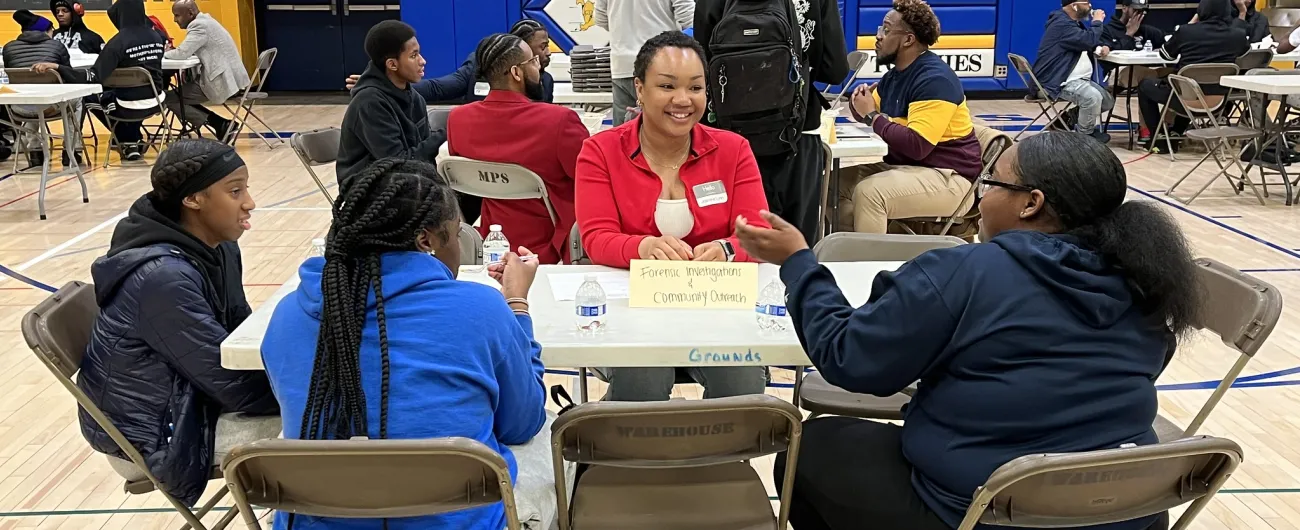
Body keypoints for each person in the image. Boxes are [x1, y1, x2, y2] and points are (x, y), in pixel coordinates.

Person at [735, 131, 1196, 530]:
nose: (981, 195)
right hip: (1125, 508)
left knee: (811, 447)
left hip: (985, 511)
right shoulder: (1143, 278)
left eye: (991, 182)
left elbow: (849, 358)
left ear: (1031, 203)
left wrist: (799, 264)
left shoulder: (966, 271)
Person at [262, 158, 549, 530]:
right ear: (426, 240)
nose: (459, 247)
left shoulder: (288, 314)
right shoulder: (480, 309)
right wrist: (517, 305)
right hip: (455, 521)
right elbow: (522, 423)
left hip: (319, 520)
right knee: (545, 443)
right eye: (456, 234)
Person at [80, 138, 280, 508]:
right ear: (192, 199)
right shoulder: (162, 277)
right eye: (235, 191)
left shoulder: (220, 248)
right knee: (327, 423)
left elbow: (240, 339)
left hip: (194, 399)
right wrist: (316, 388)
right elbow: (234, 384)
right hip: (157, 435)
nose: (249, 202)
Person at [575, 31, 769, 401]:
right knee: (644, 373)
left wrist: (728, 250)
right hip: (634, 308)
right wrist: (643, 247)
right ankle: (627, 440)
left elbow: (757, 230)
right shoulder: (600, 151)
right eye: (667, 86)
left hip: (719, 307)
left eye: (695, 88)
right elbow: (597, 237)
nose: (682, 100)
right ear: (639, 88)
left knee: (742, 376)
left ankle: (728, 442)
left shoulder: (734, 150)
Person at [696, 0, 848, 245]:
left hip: (731, 137)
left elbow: (702, 63)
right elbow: (835, 69)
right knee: (796, 246)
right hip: (796, 133)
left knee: (735, 242)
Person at [841, 0, 981, 235]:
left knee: (871, 193)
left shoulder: (934, 80)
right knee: (834, 183)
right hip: (909, 167)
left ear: (908, 40)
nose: (878, 36)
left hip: (950, 178)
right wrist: (860, 105)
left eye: (886, 30)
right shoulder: (895, 75)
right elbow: (869, 110)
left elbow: (917, 145)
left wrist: (872, 116)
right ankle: (847, 249)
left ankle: (869, 256)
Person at [448, 34, 587, 264]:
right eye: (533, 61)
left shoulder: (458, 120)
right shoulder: (559, 121)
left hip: (491, 245)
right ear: (516, 73)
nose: (539, 67)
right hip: (556, 247)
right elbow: (591, 178)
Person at [35, 0, 166, 162]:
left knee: (87, 96)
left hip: (127, 105)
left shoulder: (118, 42)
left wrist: (59, 67)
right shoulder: (156, 37)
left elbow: (93, 77)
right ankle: (131, 141)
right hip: (156, 100)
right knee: (126, 91)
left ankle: (124, 139)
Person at [336, 20, 443, 192]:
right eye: (413, 56)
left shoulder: (416, 99)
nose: (422, 61)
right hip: (368, 189)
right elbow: (398, 163)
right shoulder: (370, 102)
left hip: (406, 179)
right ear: (392, 64)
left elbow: (423, 158)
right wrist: (447, 133)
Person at [343, 19, 556, 104]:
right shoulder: (479, 64)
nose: (548, 53)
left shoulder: (545, 82)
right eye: (542, 46)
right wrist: (387, 83)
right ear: (522, 49)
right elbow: (437, 88)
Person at [1138, 0, 1248, 151]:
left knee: (1146, 85)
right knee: (1192, 84)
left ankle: (1159, 137)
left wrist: (1191, 23)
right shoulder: (1237, 35)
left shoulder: (1186, 32)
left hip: (1184, 100)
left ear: (1201, 10)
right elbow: (1244, 53)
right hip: (1219, 101)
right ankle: (1176, 131)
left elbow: (1165, 55)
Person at [4, 10, 82, 169]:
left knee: (30, 96)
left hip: (19, 108)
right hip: (51, 107)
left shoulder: (8, 48)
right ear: (46, 31)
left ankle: (35, 150)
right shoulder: (57, 46)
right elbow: (68, 77)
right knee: (78, 98)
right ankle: (70, 149)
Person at [596, 0, 694, 126]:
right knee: (665, 129)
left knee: (623, 132)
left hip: (622, 64)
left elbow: (600, 18)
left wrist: (625, 29)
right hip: (660, 63)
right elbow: (690, 18)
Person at [164, 0, 249, 142]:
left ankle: (219, 123)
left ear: (190, 13)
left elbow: (182, 53)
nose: (174, 20)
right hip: (234, 80)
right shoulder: (207, 21)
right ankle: (220, 124)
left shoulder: (199, 26)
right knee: (180, 96)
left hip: (222, 83)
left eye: (177, 15)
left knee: (167, 99)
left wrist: (164, 52)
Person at [1033, 0, 1115, 143]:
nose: (1090, 6)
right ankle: (1084, 138)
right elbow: (1088, 40)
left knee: (1107, 101)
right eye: (1086, 2)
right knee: (1092, 98)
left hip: (1074, 79)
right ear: (1074, 6)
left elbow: (1085, 41)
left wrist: (1102, 46)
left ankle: (1066, 119)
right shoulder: (1061, 24)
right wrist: (1097, 22)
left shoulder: (1072, 23)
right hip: (1056, 81)